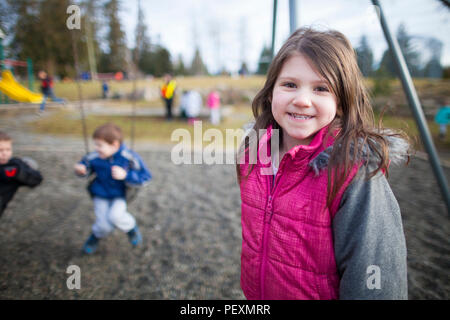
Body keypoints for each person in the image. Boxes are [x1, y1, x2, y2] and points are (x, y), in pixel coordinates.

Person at [236, 28, 410, 300]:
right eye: (290, 84)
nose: (302, 100)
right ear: (271, 92)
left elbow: (375, 275)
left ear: (341, 101)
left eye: (321, 88)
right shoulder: (253, 154)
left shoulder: (355, 172)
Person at [74, 123, 151, 254]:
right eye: (95, 144)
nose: (96, 148)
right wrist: (81, 170)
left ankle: (131, 228)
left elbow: (146, 177)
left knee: (115, 216)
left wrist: (126, 175)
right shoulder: (95, 157)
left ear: (114, 144)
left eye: (99, 145)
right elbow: (85, 167)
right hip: (100, 194)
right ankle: (95, 236)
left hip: (119, 195)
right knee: (104, 226)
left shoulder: (129, 157)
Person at [0, 131, 43, 218]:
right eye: (0, 150)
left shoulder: (15, 165)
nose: (4, 153)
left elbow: (37, 178)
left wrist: (18, 173)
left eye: (8, 149)